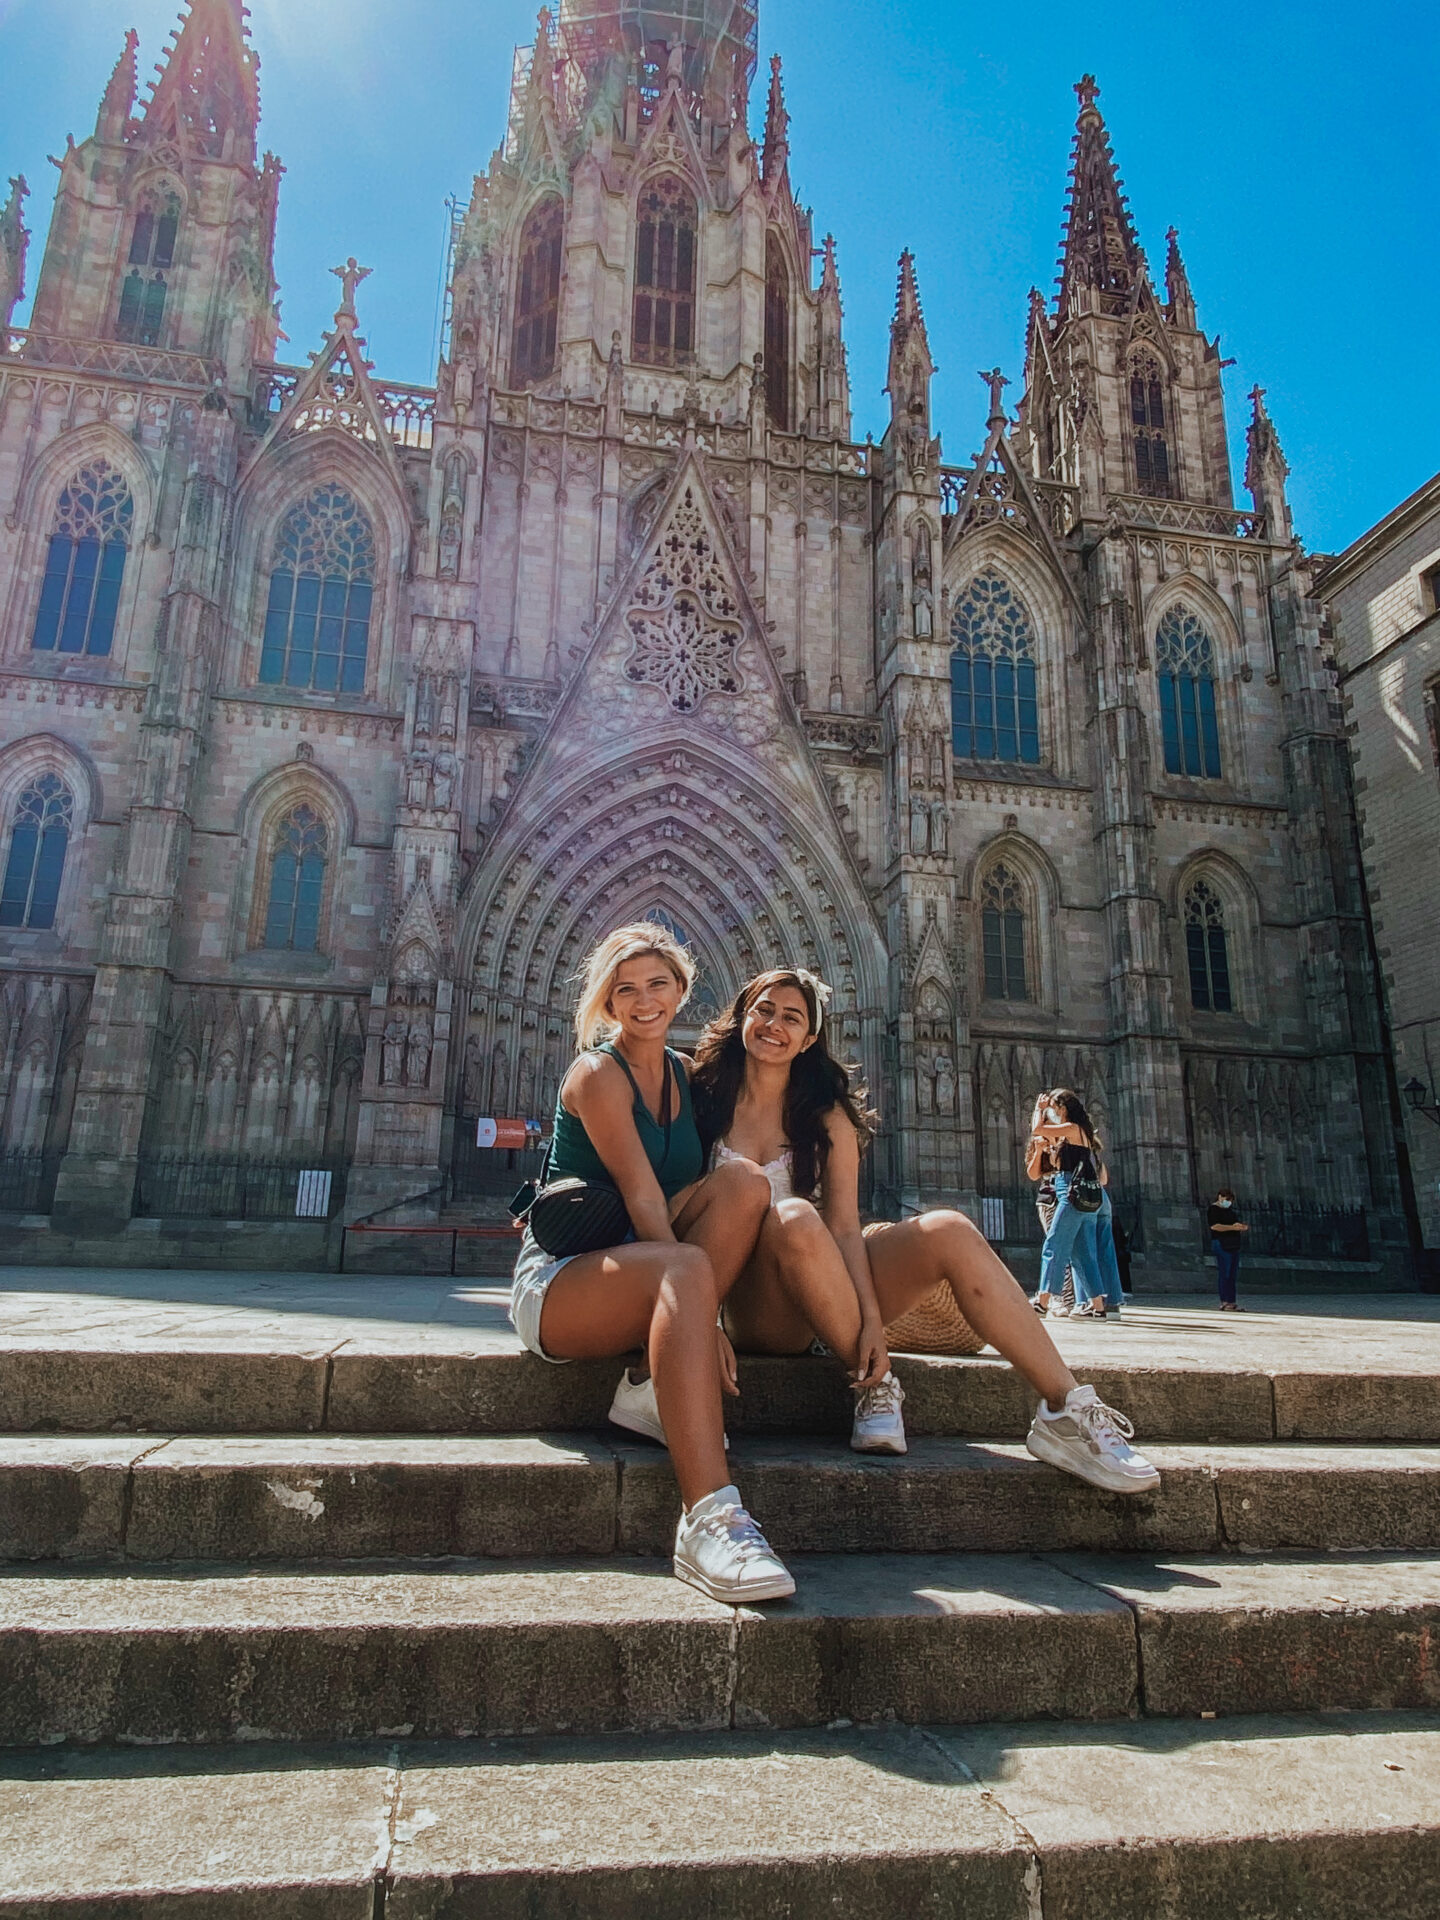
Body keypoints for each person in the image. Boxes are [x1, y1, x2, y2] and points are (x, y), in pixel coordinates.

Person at [689, 969, 1160, 1494]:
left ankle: (1065, 1409)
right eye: (764, 1010)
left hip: (821, 1279)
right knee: (795, 1216)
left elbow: (845, 1229)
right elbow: (687, 1216)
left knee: (948, 1229)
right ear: (742, 1017)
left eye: (791, 1017)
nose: (774, 1024)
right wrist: (698, 1321)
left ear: (810, 1039)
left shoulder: (826, 1119)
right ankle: (874, 1382)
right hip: (752, 1307)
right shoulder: (702, 1099)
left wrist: (872, 1322)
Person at [508, 923, 795, 1604]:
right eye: (625, 988)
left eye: (657, 984)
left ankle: (645, 1382)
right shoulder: (596, 1073)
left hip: (644, 1268)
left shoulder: (683, 1074)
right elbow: (642, 1195)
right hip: (562, 1279)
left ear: (682, 990)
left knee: (747, 1184)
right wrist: (707, 1323)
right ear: (607, 1002)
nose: (643, 1000)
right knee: (685, 1270)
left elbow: (709, 1184)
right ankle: (708, 1518)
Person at [1031, 1090, 1126, 1320]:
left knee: (1054, 1245)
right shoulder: (1079, 1132)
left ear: (1063, 1108)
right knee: (1082, 1254)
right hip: (1086, 1196)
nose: (1053, 1112)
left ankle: (1042, 1302)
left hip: (1071, 1195)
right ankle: (1098, 1308)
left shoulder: (1072, 1129)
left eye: (1055, 1108)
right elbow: (1056, 1160)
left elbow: (1037, 1129)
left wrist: (1038, 1109)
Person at [1208, 1188, 1249, 1310]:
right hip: (1221, 1243)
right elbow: (1215, 1226)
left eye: (1230, 1201)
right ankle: (1224, 1301)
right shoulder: (1213, 1210)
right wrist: (1232, 1228)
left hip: (1233, 1243)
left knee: (1232, 1274)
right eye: (1227, 1200)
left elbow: (1233, 1223)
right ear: (1220, 1197)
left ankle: (1231, 1301)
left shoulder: (1230, 1211)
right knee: (1224, 1273)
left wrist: (1240, 1226)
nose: (1228, 1203)